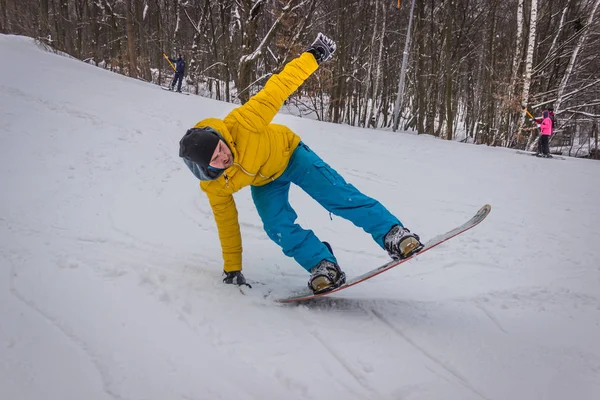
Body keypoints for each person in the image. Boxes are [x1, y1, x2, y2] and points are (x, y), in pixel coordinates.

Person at [178, 33, 424, 294]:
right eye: (216, 159)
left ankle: (393, 234)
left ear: (219, 137)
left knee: (338, 196)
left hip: (290, 154)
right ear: (207, 169)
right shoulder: (215, 186)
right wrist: (232, 268)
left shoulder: (243, 122)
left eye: (220, 148)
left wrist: (313, 56)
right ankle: (322, 265)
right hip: (265, 181)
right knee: (276, 227)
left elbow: (278, 87)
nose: (224, 156)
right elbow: (227, 224)